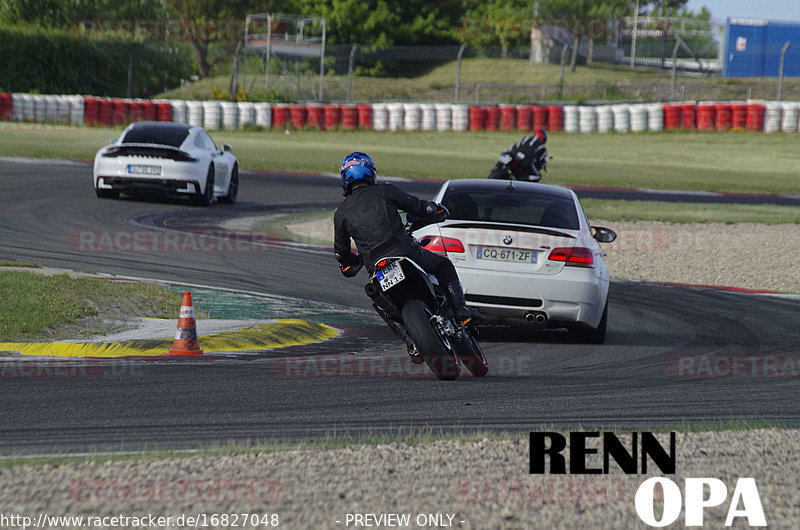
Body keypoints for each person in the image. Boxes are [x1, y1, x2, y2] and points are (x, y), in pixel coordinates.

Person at [333, 151, 482, 327]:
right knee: (444, 265)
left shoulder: (341, 213)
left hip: (375, 267)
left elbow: (341, 253)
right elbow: (420, 208)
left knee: (379, 302)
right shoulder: (386, 190)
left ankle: (410, 340)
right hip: (404, 253)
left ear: (345, 178)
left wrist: (353, 260)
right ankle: (460, 311)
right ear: (370, 173)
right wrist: (434, 209)